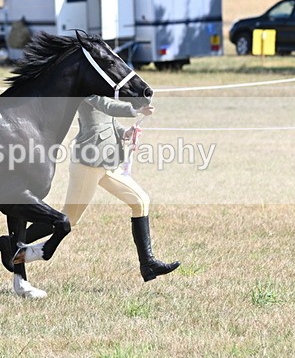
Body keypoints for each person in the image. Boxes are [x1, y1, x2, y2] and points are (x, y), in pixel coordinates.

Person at [19, 95, 180, 282]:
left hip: (106, 162)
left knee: (140, 201)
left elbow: (107, 121)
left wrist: (124, 133)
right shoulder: (88, 90)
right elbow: (107, 106)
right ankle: (12, 242)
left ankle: (148, 264)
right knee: (70, 218)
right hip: (88, 164)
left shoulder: (102, 87)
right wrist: (135, 110)